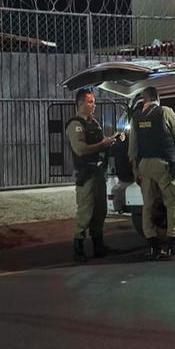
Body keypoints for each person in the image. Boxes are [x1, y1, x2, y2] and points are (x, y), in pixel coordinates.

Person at [128, 86, 175, 261]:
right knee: (173, 202)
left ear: (144, 99)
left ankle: (154, 248)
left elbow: (132, 147)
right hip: (163, 164)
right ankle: (173, 247)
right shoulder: (165, 112)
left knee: (148, 206)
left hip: (143, 166)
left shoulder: (136, 117)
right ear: (158, 98)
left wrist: (135, 169)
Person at [66, 88, 119, 263]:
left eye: (94, 102)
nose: (93, 105)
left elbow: (101, 141)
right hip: (86, 174)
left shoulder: (93, 123)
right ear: (80, 103)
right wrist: (103, 144)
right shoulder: (76, 125)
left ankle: (99, 246)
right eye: (90, 102)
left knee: (100, 211)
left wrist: (111, 141)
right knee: (85, 212)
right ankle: (78, 248)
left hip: (98, 174)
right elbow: (80, 150)